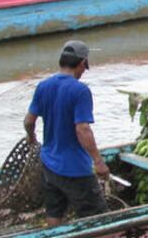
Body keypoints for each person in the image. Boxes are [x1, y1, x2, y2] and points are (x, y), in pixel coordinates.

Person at [24, 40, 109, 226]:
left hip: (48, 165)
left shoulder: (43, 86)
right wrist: (98, 161)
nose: (83, 72)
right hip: (75, 168)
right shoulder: (80, 91)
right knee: (97, 217)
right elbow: (82, 129)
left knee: (55, 212)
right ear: (81, 63)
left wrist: (31, 139)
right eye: (84, 67)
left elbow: (29, 121)